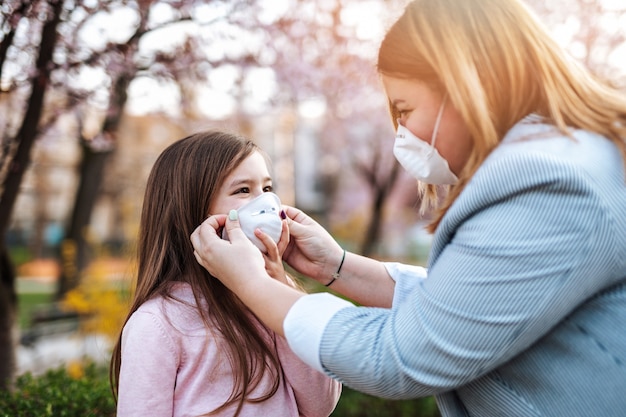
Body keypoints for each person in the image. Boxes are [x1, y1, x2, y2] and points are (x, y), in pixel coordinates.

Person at [190, 0, 626, 415]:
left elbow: (399, 357)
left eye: (406, 109)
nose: (404, 133)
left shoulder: (547, 185)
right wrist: (336, 266)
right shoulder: (570, 158)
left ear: (468, 82)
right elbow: (471, 303)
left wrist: (255, 283)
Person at [110, 131, 341, 417]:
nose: (267, 204)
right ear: (193, 210)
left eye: (267, 189)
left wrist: (279, 284)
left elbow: (321, 405)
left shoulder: (276, 295)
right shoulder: (158, 324)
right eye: (243, 190)